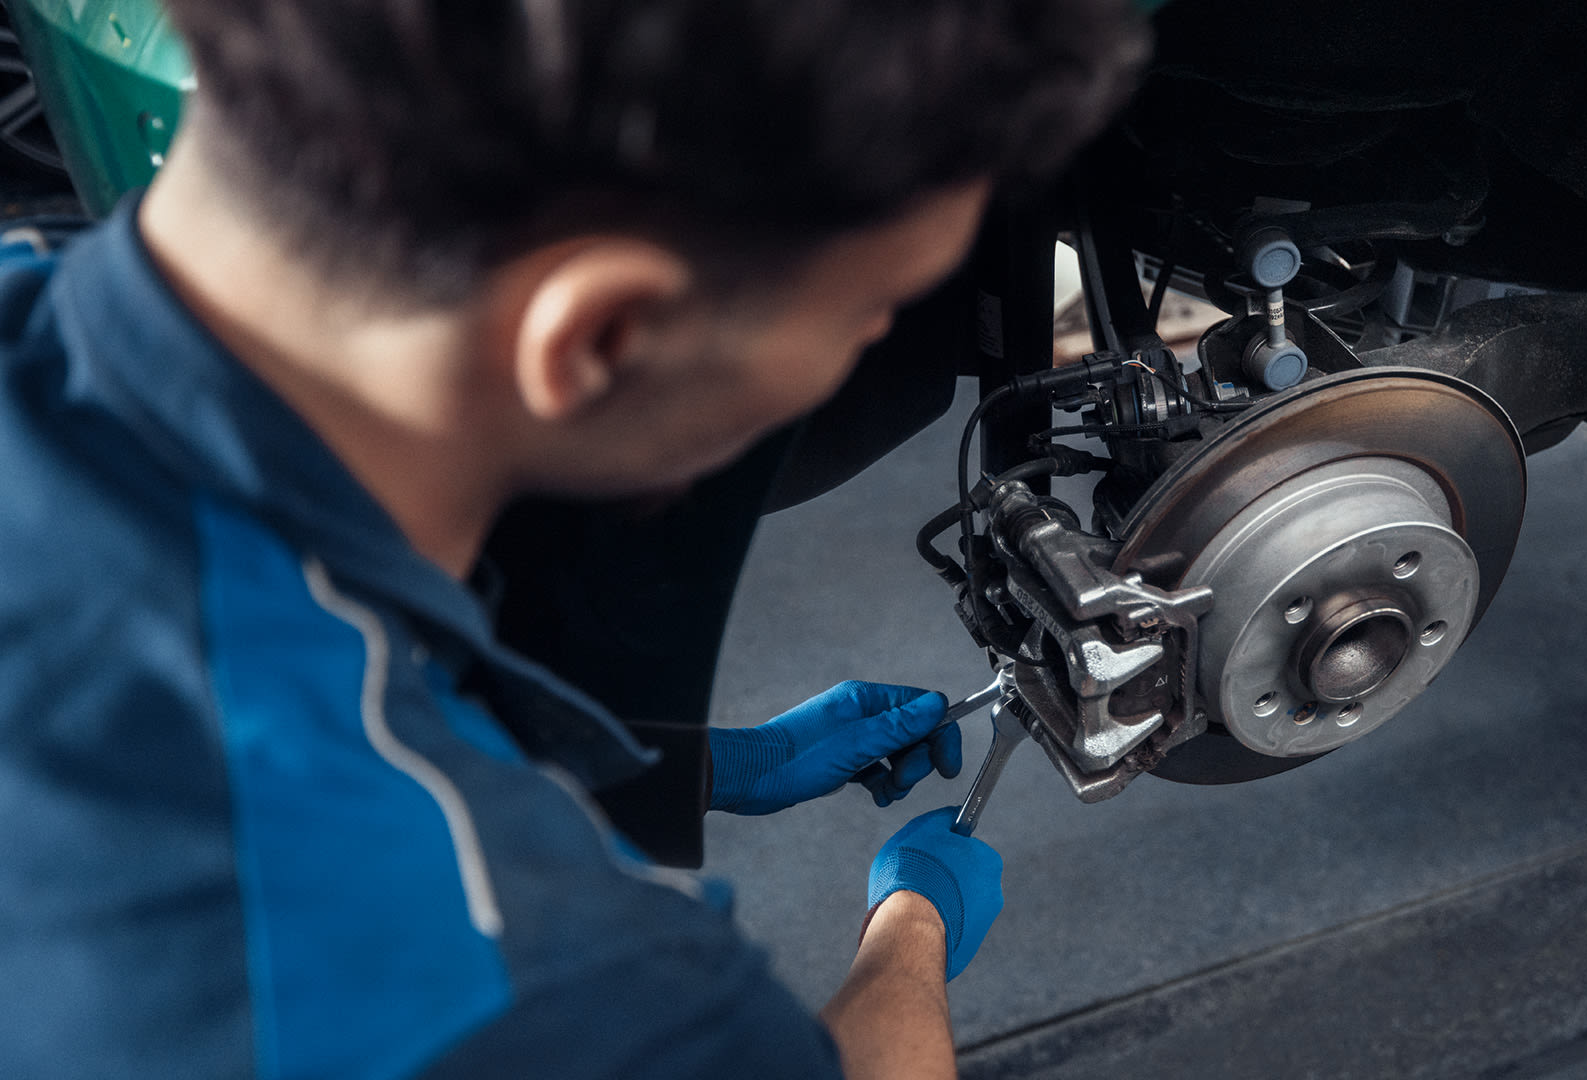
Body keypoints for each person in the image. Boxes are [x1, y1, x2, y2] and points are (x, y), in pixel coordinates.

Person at [0, 1, 1147, 1077]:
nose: (871, 341)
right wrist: (911, 931)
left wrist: (692, 769)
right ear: (602, 335)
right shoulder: (568, 985)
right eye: (865, 308)